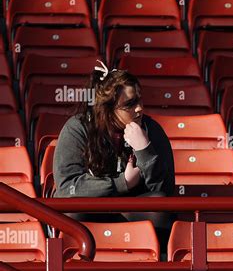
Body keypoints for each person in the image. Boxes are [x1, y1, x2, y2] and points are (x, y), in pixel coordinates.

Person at [53, 61, 175, 246]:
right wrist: (122, 183)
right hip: (92, 211)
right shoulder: (77, 129)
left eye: (140, 100)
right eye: (130, 104)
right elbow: (67, 189)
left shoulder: (151, 130)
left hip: (131, 210)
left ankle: (153, 268)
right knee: (73, 211)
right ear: (107, 109)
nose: (140, 108)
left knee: (159, 206)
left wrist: (145, 150)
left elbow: (164, 190)